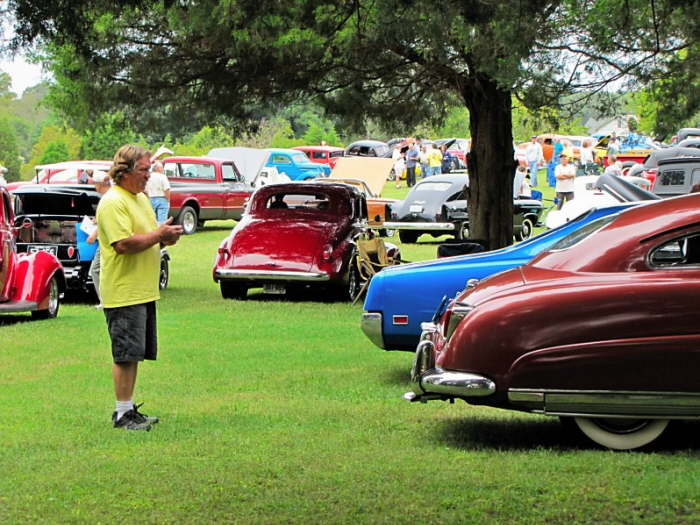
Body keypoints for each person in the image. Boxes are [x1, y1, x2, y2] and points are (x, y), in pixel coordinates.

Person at [97, 144, 183, 431]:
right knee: (124, 354)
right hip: (123, 291)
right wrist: (158, 234)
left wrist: (164, 237)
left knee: (134, 353)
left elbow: (147, 237)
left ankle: (129, 408)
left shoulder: (141, 199)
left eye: (149, 169)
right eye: (144, 169)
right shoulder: (113, 202)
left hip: (142, 290)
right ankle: (122, 414)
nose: (149, 175)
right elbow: (123, 244)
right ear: (125, 171)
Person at [87, 171, 113, 307]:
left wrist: (94, 235)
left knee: (95, 270)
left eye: (95, 184)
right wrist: (96, 220)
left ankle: (105, 301)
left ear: (100, 184)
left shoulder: (107, 199)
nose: (95, 187)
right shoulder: (110, 197)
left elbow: (107, 222)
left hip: (106, 242)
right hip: (107, 241)